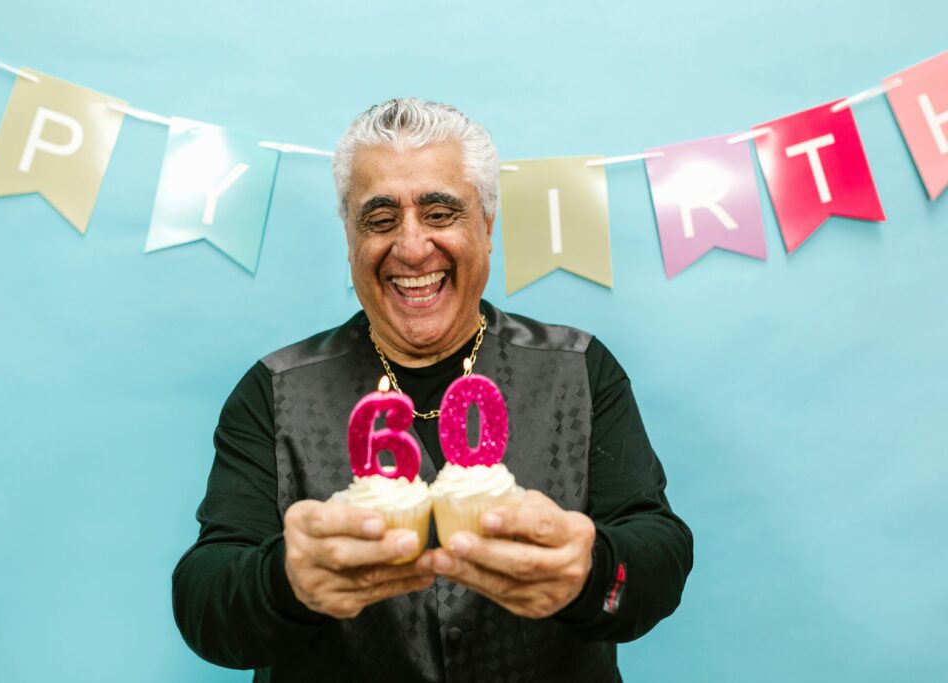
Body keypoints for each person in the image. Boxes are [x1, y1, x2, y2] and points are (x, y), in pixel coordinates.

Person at [172, 98, 693, 682]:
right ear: (349, 238)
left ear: (487, 227)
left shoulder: (582, 369)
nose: (412, 247)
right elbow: (204, 599)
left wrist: (594, 571)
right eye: (380, 219)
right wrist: (284, 581)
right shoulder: (271, 390)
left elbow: (659, 554)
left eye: (441, 213)